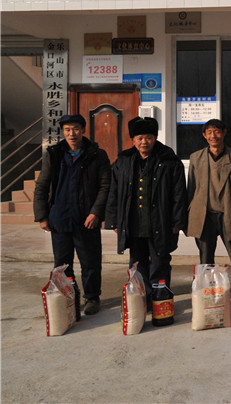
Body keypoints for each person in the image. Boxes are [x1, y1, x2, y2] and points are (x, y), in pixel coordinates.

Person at [33, 114, 110, 316]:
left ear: (83, 130)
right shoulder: (54, 154)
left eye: (75, 129)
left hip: (86, 219)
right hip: (60, 218)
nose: (71, 133)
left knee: (90, 262)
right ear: (63, 132)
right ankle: (69, 297)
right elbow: (42, 185)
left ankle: (92, 297)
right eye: (67, 130)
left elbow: (105, 186)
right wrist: (42, 216)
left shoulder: (96, 154)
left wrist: (96, 212)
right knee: (62, 264)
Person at [105, 117, 188, 302]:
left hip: (161, 221)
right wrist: (114, 221)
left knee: (160, 261)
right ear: (133, 140)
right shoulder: (123, 161)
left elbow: (179, 193)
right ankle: (141, 298)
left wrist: (178, 221)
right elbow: (114, 192)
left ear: (155, 137)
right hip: (134, 222)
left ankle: (160, 298)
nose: (144, 142)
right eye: (140, 138)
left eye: (149, 137)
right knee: (137, 262)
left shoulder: (169, 160)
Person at [187, 119, 231, 309]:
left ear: (224, 133)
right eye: (209, 132)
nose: (213, 136)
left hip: (229, 215)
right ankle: (209, 301)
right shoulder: (196, 158)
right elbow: (191, 190)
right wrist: (187, 218)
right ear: (204, 135)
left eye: (217, 132)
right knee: (206, 262)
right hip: (204, 216)